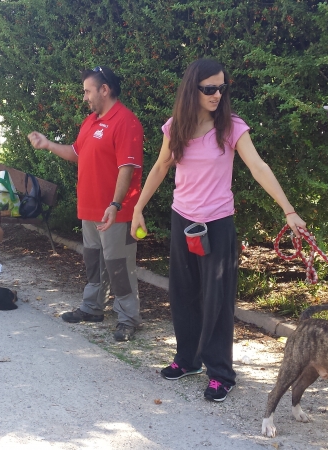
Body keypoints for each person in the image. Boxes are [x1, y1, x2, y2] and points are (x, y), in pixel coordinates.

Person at [131, 58, 306, 402]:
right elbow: (160, 167)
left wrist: (289, 210)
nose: (216, 94)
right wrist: (137, 208)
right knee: (183, 294)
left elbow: (258, 167)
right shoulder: (175, 127)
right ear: (191, 90)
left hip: (218, 224)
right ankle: (188, 360)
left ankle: (221, 373)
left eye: (221, 88)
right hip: (183, 219)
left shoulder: (230, 127)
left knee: (217, 301)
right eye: (209, 88)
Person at [27, 66, 144, 342]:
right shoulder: (91, 121)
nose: (85, 97)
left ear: (105, 90)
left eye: (87, 91)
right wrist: (48, 144)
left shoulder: (126, 122)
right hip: (90, 209)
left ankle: (129, 318)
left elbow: (127, 169)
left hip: (116, 212)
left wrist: (115, 204)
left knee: (119, 266)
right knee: (94, 262)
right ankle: (93, 308)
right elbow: (76, 153)